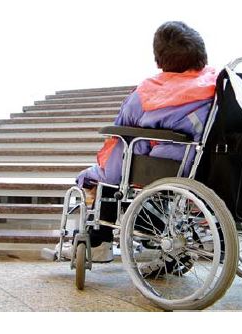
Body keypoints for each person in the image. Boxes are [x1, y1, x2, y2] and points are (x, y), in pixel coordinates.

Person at [62, 21, 218, 262]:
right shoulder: (216, 85)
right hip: (201, 165)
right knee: (131, 170)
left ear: (158, 60)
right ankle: (151, 240)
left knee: (108, 180)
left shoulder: (149, 92)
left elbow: (120, 136)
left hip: (164, 168)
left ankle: (98, 243)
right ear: (201, 54)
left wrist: (99, 172)